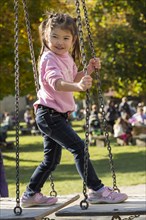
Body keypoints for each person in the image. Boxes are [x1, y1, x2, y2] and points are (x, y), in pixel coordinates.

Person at [21, 12, 128, 208]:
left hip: (56, 115)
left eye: (65, 38)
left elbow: (72, 77)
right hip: (49, 114)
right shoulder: (49, 58)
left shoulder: (66, 57)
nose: (59, 42)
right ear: (46, 36)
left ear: (73, 40)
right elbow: (57, 83)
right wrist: (79, 87)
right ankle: (97, 190)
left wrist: (87, 70)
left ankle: (31, 194)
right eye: (54, 37)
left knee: (51, 160)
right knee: (79, 148)